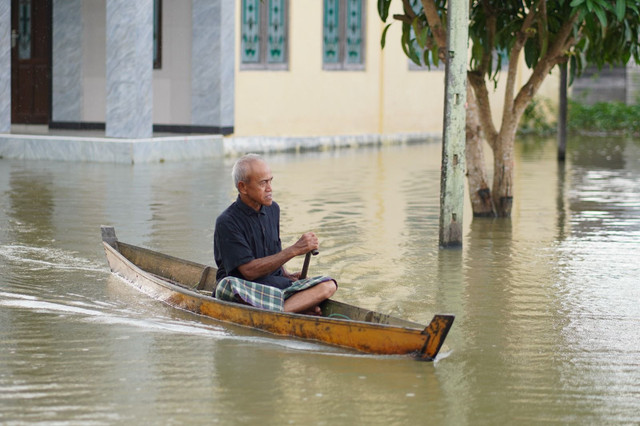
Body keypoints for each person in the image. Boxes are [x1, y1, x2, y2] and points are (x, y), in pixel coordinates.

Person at [213, 154, 337, 314]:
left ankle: (281, 309)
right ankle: (292, 307)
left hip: (273, 285)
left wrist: (288, 275)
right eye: (263, 183)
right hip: (245, 287)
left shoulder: (273, 209)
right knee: (226, 285)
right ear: (243, 187)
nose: (270, 188)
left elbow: (274, 253)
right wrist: (295, 249)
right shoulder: (227, 221)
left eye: (270, 181)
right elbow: (249, 272)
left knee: (328, 285)